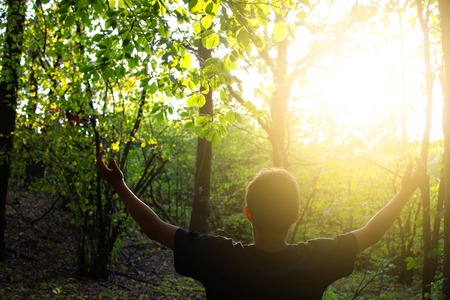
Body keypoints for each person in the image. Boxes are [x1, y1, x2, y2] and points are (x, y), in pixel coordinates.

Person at [96, 151, 426, 299]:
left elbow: (155, 229)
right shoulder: (315, 260)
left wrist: (119, 185)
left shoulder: (220, 257)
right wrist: (405, 191)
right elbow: (370, 233)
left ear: (248, 214)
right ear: (296, 215)